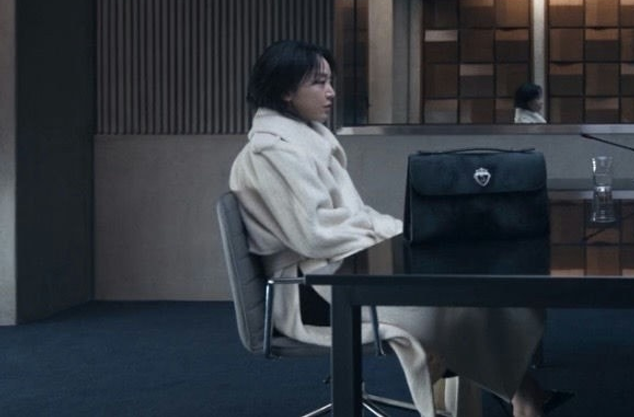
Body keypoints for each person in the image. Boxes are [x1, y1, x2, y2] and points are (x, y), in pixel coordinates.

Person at [229, 41, 568, 417]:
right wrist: (384, 235)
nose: (331, 92)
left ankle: (516, 393)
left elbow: (348, 218)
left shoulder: (306, 142)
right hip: (311, 293)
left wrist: (396, 232)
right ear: (286, 91)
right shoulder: (272, 153)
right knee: (455, 307)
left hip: (339, 273)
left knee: (478, 294)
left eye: (330, 81)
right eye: (319, 83)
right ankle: (523, 395)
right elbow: (315, 233)